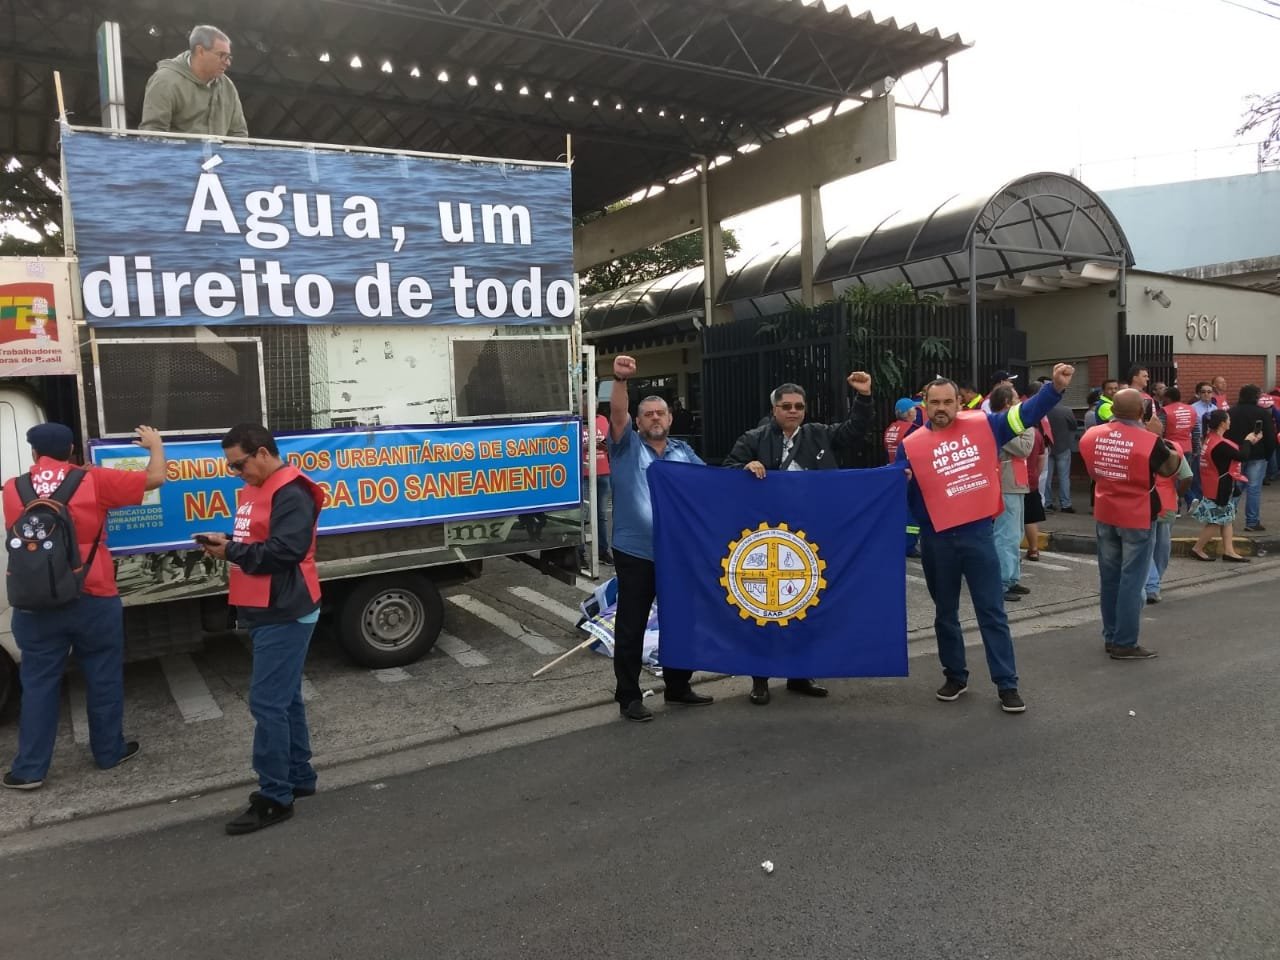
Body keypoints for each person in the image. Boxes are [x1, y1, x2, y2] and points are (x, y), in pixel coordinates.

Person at [896, 362, 1075, 714]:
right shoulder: (911, 445)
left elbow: (1025, 414)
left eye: (948, 401)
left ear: (959, 404)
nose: (942, 408)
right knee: (945, 613)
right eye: (935, 403)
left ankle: (1007, 684)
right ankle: (955, 676)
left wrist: (1053, 388)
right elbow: (890, 485)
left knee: (991, 611)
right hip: (936, 540)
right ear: (925, 406)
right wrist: (900, 483)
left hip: (978, 535)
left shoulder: (986, 426)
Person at [2, 422, 166, 790]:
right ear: (72, 450)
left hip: (35, 603)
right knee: (102, 676)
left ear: (33, 454)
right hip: (93, 595)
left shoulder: (13, 489)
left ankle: (29, 769)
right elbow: (156, 478)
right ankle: (108, 752)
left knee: (39, 683)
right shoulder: (93, 480)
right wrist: (154, 445)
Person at [197, 424, 325, 834]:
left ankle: (274, 796)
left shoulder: (292, 492)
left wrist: (230, 550)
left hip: (285, 608)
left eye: (239, 464)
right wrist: (227, 541)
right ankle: (299, 778)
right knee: (284, 700)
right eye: (231, 466)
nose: (236, 472)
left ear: (264, 453)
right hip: (267, 605)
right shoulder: (264, 488)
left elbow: (286, 551)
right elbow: (259, 539)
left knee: (267, 703)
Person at [725, 371, 876, 705]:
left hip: (812, 536)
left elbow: (855, 432)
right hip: (769, 538)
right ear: (774, 409)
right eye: (786, 406)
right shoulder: (753, 438)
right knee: (764, 608)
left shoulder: (819, 434)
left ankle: (800, 674)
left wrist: (863, 398)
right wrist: (745, 467)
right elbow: (727, 471)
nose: (793, 411)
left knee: (806, 605)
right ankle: (760, 678)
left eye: (799, 406)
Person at [608, 356, 712, 722]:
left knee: (680, 620)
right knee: (632, 625)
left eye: (660, 413)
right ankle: (629, 697)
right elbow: (616, 414)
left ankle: (679, 687)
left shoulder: (684, 453)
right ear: (638, 422)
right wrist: (620, 381)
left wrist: (748, 471)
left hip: (678, 553)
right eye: (647, 413)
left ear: (670, 419)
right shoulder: (625, 447)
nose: (655, 418)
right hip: (635, 552)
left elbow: (713, 487)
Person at [1079, 390, 1180, 660]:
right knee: (1132, 580)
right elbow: (1170, 469)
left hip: (1105, 510)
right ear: (1141, 412)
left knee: (1109, 577)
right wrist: (1158, 436)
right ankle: (1125, 642)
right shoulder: (1149, 441)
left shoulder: (1091, 435)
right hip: (1136, 514)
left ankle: (1111, 636)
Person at [139, 25, 248, 137]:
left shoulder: (228, 86)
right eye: (222, 55)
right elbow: (153, 135)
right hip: (176, 154)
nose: (228, 63)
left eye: (229, 57)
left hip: (219, 154)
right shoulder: (165, 81)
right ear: (200, 51)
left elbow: (238, 134)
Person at [1191, 410, 1260, 563]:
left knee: (1227, 518)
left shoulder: (1210, 439)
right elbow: (1242, 456)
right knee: (1215, 520)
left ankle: (1229, 551)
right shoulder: (1220, 444)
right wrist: (1248, 441)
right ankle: (1197, 548)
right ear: (1222, 423)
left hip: (1214, 484)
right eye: (1228, 419)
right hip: (1220, 486)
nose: (1230, 422)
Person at [1146, 439, 1193, 604]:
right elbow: (1187, 477)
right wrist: (1178, 494)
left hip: (1145, 503)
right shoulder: (1175, 450)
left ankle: (1151, 585)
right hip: (1168, 503)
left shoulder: (1141, 446)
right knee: (1162, 547)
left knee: (1147, 547)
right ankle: (1154, 583)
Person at [1225, 384, 1276, 533]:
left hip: (1236, 455)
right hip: (1257, 455)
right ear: (1256, 397)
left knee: (1236, 489)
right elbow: (1270, 437)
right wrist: (1268, 455)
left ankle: (1227, 520)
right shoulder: (1262, 413)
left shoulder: (1231, 412)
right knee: (1254, 489)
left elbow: (1225, 434)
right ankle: (1252, 522)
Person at [1159, 386, 1199, 513]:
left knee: (1173, 478)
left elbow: (1161, 430)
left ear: (1168, 398)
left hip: (1171, 448)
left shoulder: (1165, 411)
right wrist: (1196, 447)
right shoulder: (1191, 410)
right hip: (1187, 447)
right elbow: (1196, 431)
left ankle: (1178, 507)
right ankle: (1190, 501)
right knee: (1184, 476)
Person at [581, 402, 613, 564]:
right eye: (587, 404)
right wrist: (586, 445)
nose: (590, 407)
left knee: (601, 515)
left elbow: (610, 443)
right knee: (583, 515)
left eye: (593, 404)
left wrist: (605, 445)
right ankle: (580, 553)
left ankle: (602, 550)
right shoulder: (578, 421)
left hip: (603, 471)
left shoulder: (602, 420)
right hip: (585, 473)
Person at [1043, 390, 1078, 512]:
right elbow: (1074, 425)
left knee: (1047, 476)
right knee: (1064, 477)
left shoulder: (1043, 410)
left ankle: (1047, 502)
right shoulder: (1066, 410)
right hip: (1063, 446)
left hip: (1047, 446)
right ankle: (1066, 504)